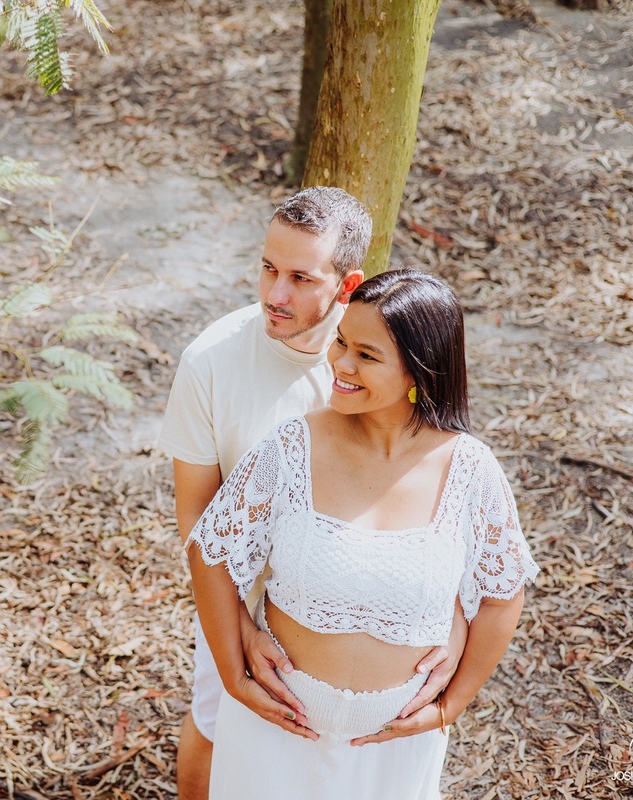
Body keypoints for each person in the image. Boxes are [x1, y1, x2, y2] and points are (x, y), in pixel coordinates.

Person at [159, 187, 466, 800]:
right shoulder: (210, 364)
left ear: (347, 284)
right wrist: (239, 632)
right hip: (241, 597)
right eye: (269, 268)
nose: (276, 294)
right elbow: (197, 514)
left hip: (364, 596)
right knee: (218, 723)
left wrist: (451, 622)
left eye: (300, 277)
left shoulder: (375, 362)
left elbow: (438, 491)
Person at [186, 268, 540, 798]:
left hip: (393, 750)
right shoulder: (292, 447)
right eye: (342, 342)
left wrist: (453, 703)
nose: (341, 365)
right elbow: (211, 552)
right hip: (275, 735)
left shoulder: (469, 469)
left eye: (367, 356)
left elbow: (502, 592)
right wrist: (235, 666)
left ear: (421, 371)